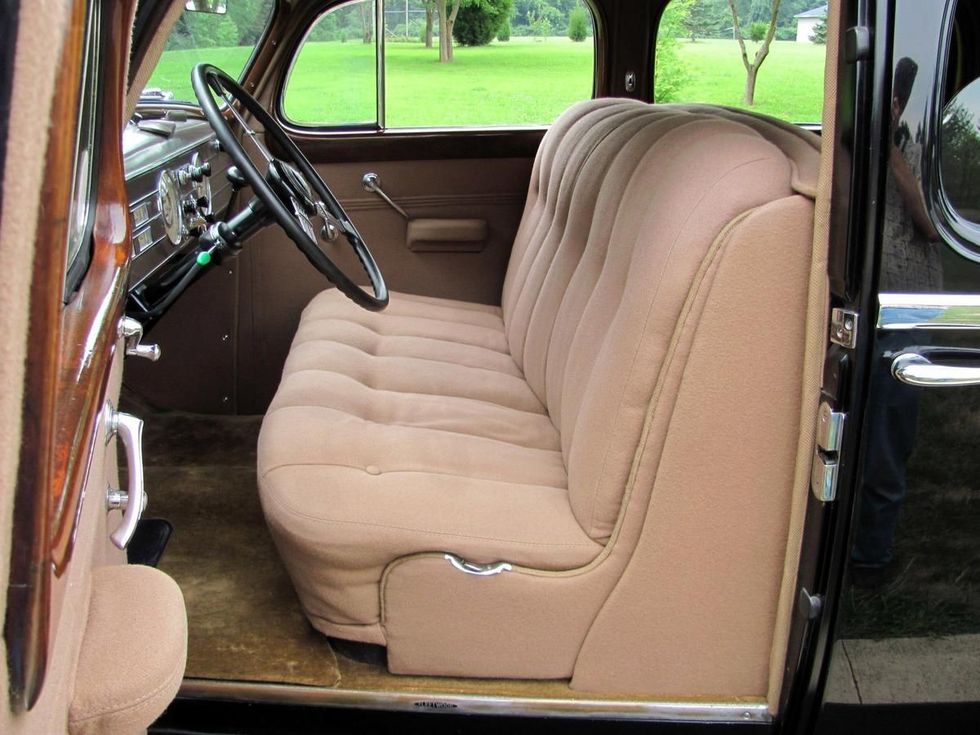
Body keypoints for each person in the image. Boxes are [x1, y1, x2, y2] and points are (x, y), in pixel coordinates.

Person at [850, 57, 943, 588]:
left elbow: (930, 225)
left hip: (906, 308)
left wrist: (888, 148)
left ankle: (872, 560)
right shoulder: (850, 149)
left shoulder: (923, 153)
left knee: (888, 439)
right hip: (858, 301)